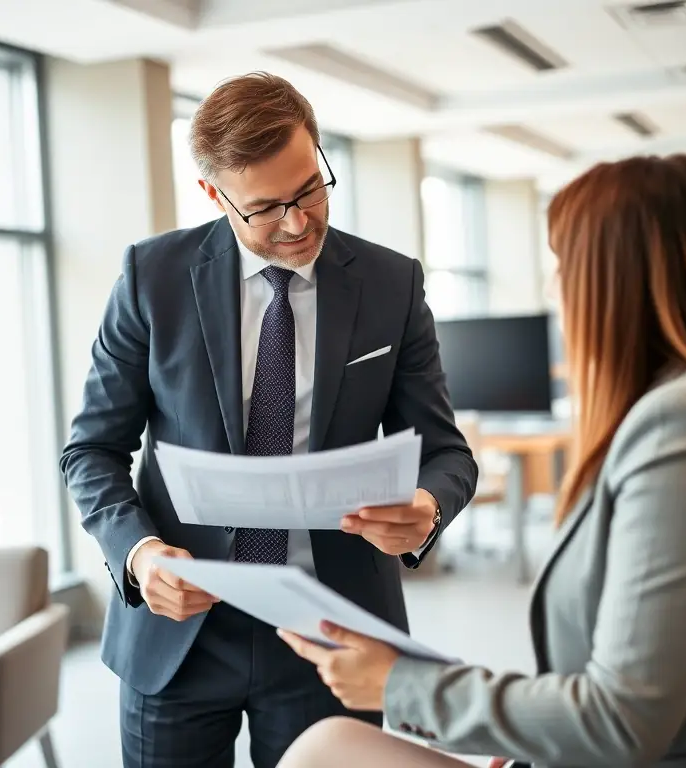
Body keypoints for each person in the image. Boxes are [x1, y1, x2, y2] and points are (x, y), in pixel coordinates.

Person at [276, 153, 686, 768]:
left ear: (615, 280)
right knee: (330, 746)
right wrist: (527, 738)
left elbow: (621, 720)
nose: (556, 287)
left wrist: (398, 683)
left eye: (563, 263)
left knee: (326, 751)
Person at [59, 71, 477, 768]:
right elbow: (91, 450)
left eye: (310, 187)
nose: (298, 221)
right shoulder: (151, 277)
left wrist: (428, 504)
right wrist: (140, 554)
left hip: (333, 633)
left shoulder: (390, 283)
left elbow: (448, 452)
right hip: (179, 629)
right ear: (212, 194)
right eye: (265, 207)